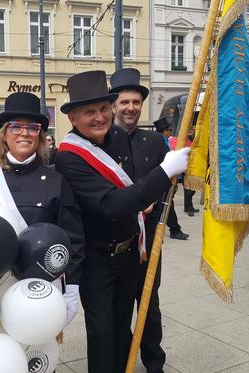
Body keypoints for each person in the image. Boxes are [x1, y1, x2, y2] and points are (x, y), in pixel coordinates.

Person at [55, 70, 189, 373]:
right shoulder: (69, 156)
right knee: (102, 335)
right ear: (73, 117)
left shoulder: (115, 136)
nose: (100, 117)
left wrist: (154, 186)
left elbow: (130, 188)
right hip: (97, 260)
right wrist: (163, 172)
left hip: (130, 253)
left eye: (104, 108)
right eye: (90, 112)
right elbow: (112, 203)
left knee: (122, 328)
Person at [0, 91, 85, 325]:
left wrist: (72, 287)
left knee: (42, 357)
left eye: (32, 127)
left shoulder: (57, 181)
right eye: (15, 126)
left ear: (40, 136)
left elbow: (74, 239)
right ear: (4, 135)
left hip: (47, 285)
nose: (24, 133)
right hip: (2, 284)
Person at [109, 68, 174, 373]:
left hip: (150, 238)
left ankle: (154, 361)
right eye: (124, 102)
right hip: (117, 241)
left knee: (149, 303)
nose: (130, 108)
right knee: (120, 306)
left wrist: (155, 198)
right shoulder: (102, 142)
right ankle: (124, 355)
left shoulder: (155, 142)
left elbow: (171, 180)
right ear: (114, 105)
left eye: (135, 102)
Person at [153, 117, 188, 241]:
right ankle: (174, 230)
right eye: (169, 130)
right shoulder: (158, 142)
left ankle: (163, 230)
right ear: (163, 131)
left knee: (164, 206)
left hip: (167, 179)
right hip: (162, 179)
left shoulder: (166, 141)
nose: (170, 132)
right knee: (167, 205)